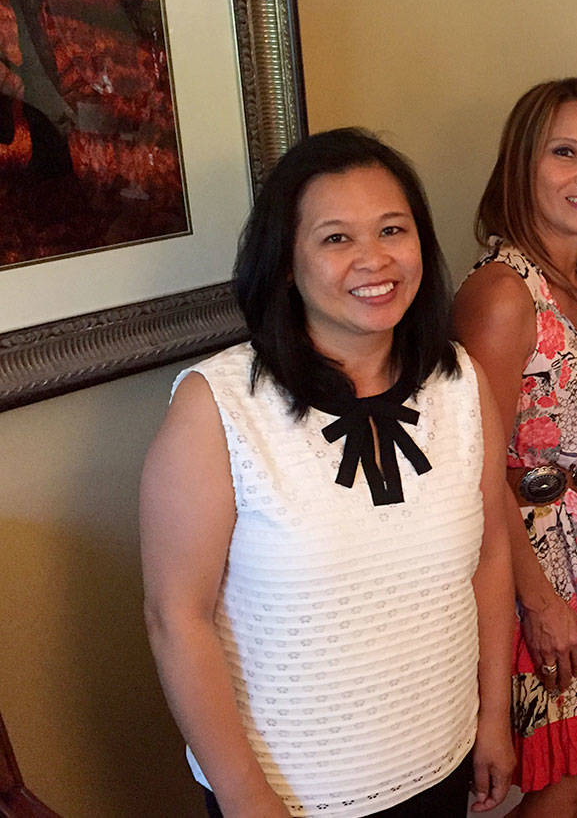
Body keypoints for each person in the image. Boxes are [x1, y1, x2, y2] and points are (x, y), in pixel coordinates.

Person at [140, 128, 516, 817]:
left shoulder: (460, 383)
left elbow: (492, 555)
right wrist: (247, 797)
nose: (373, 259)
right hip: (288, 792)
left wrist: (494, 714)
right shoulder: (217, 406)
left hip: (441, 757)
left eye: (392, 229)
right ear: (286, 262)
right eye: (335, 237)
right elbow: (176, 617)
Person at [452, 78, 577, 817]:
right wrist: (537, 600)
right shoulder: (504, 293)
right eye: (565, 153)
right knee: (566, 767)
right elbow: (474, 467)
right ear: (522, 164)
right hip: (538, 559)